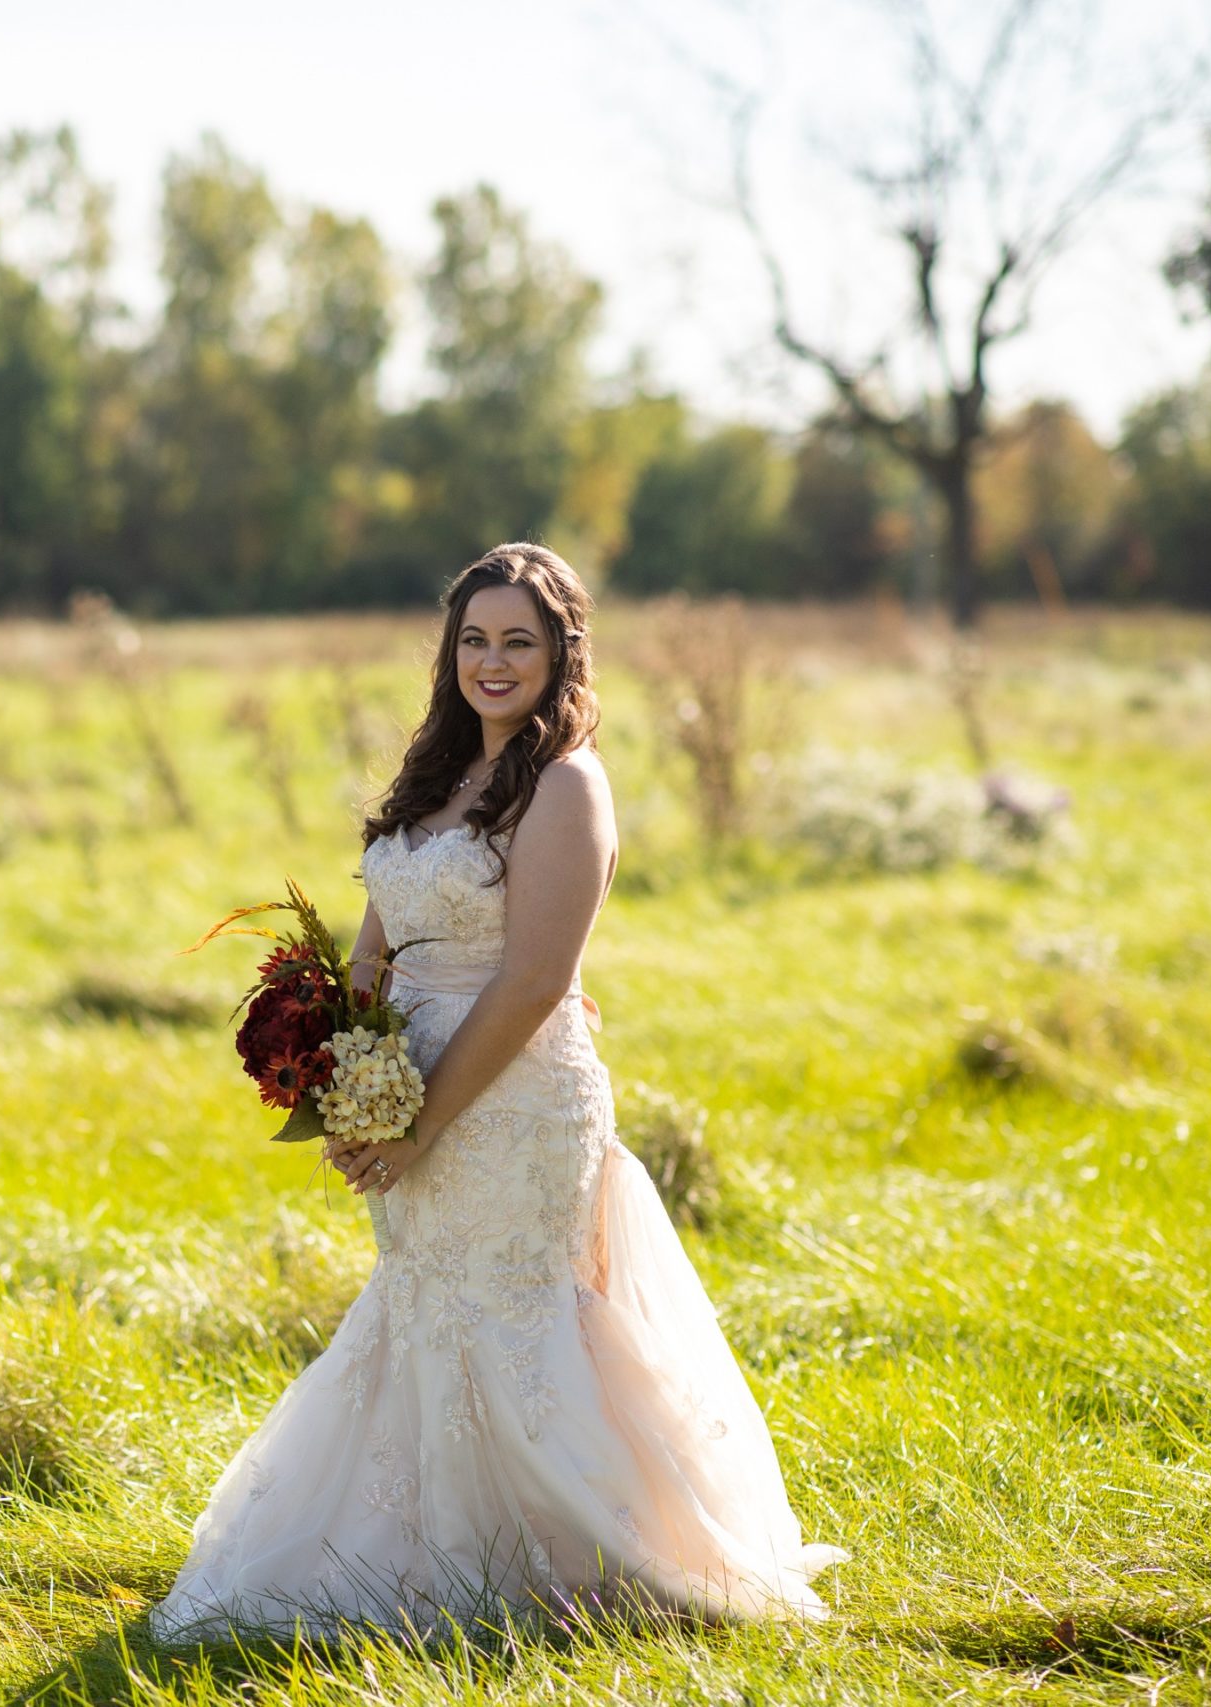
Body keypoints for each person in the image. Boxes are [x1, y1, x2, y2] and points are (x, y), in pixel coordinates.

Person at [149, 543, 846, 1643]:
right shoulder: (433, 779)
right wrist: (345, 1073)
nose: (491, 660)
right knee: (421, 1307)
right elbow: (377, 940)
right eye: (473, 639)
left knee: (512, 1318)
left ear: (560, 652)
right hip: (402, 1086)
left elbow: (533, 981)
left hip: (510, 1100)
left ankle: (600, 1560)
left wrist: (422, 1122)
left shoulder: (567, 785)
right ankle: (423, 1551)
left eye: (517, 640)